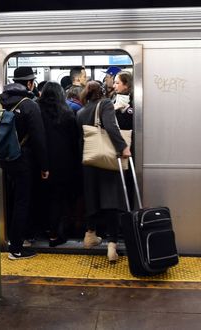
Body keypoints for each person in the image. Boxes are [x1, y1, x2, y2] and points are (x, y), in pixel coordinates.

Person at [76, 81, 131, 262]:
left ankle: (90, 236)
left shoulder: (81, 112)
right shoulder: (106, 104)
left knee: (91, 198)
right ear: (101, 92)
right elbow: (110, 126)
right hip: (106, 160)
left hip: (89, 160)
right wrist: (123, 147)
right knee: (110, 200)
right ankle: (112, 245)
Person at [0, 67, 49, 260]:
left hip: (6, 158)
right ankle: (17, 248)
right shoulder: (29, 104)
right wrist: (44, 166)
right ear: (30, 83)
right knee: (23, 202)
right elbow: (39, 138)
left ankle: (14, 239)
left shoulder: (1, 102)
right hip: (24, 160)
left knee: (13, 199)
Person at [37, 81, 81, 247]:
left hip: (41, 163)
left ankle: (44, 230)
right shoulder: (68, 113)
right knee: (59, 199)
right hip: (64, 164)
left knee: (43, 198)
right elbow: (74, 141)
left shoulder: (36, 110)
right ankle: (56, 234)